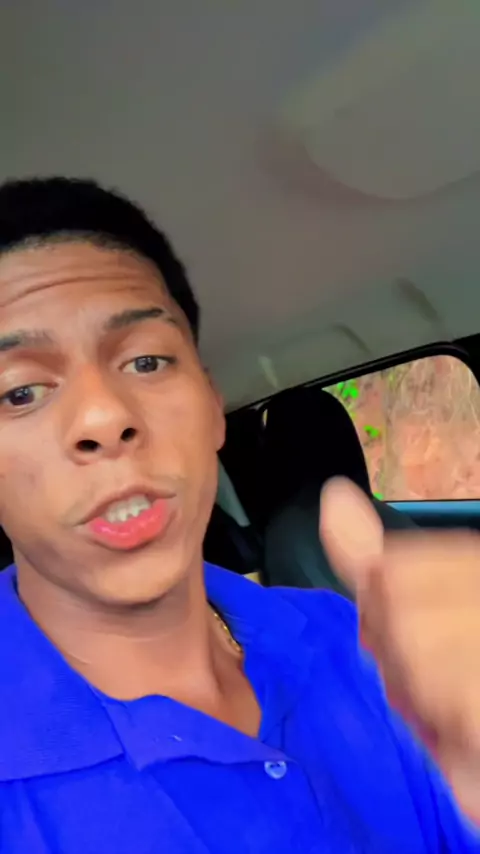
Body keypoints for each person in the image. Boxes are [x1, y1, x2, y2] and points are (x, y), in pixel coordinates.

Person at [0, 178, 479, 854]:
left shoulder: (367, 641)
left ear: (211, 405)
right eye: (20, 392)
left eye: (146, 360)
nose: (105, 417)